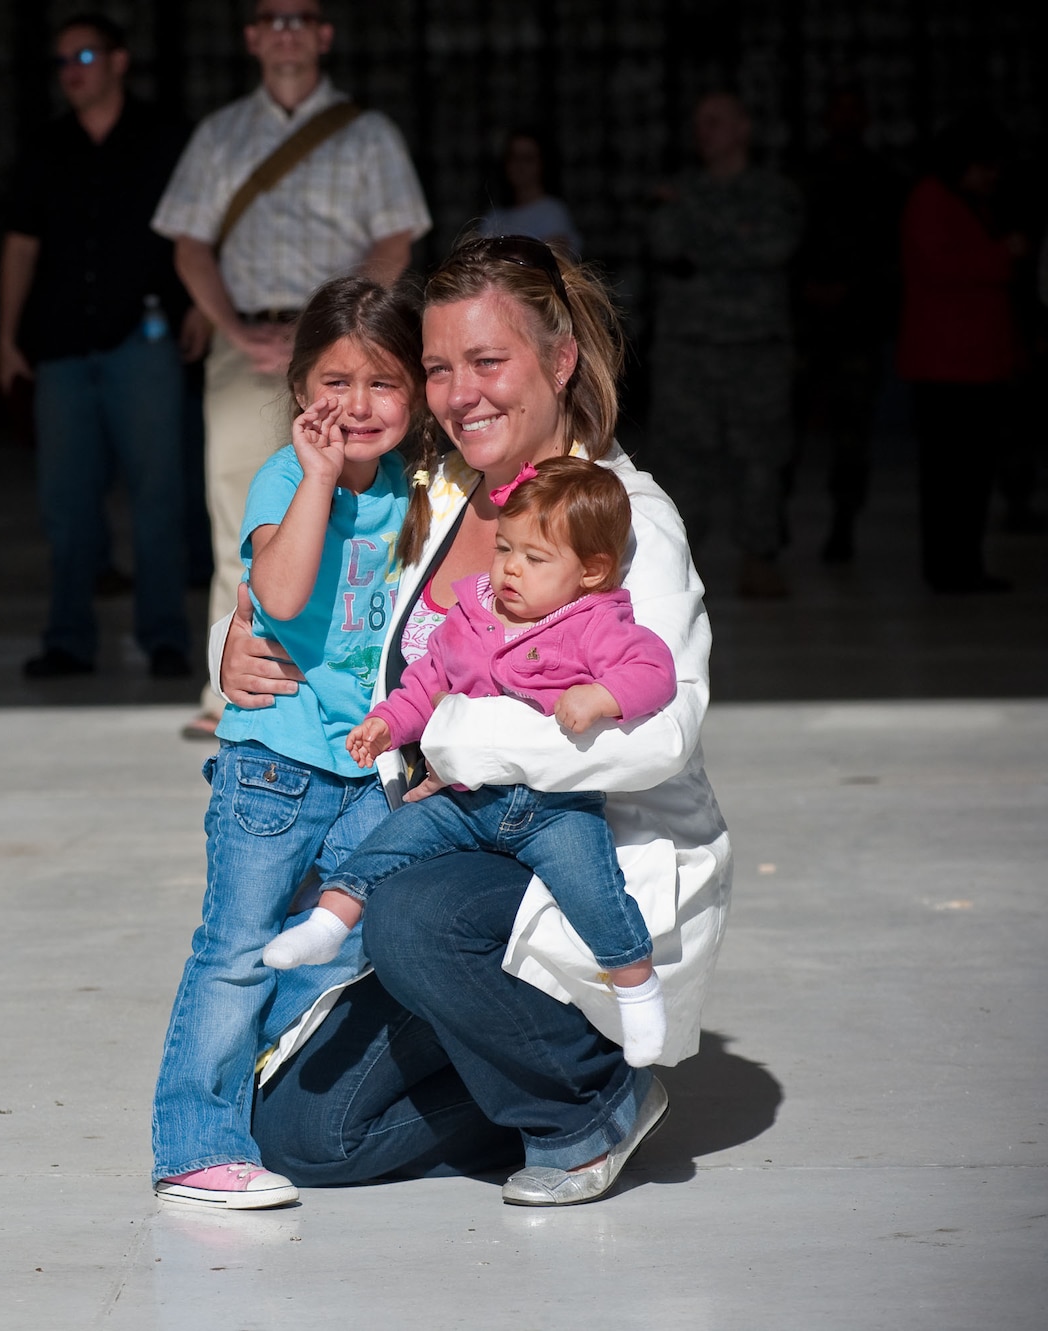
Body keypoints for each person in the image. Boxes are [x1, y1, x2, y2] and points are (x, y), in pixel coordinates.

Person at [216, 234, 729, 1207]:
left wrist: (452, 737)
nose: (460, 394)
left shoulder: (625, 518)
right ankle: (521, 1052)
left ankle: (586, 1101)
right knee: (305, 1133)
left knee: (412, 916)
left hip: (572, 871)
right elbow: (340, 606)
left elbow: (663, 728)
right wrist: (228, 643)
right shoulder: (439, 488)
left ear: (559, 359)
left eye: (487, 361)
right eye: (439, 368)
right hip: (446, 851)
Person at [151, 275, 434, 1210]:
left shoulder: (414, 488)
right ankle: (194, 1144)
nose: (357, 405)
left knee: (339, 947)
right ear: (300, 384)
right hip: (272, 764)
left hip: (364, 770)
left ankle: (268, 1098)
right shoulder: (287, 474)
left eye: (383, 382)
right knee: (234, 947)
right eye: (335, 381)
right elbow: (275, 591)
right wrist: (316, 481)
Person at [265, 457, 676, 1069]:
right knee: (392, 836)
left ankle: (636, 987)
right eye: (505, 547)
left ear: (591, 571)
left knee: (593, 888)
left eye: (536, 560)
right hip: (462, 796)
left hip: (551, 807)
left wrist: (602, 695)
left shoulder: (597, 623)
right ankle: (329, 920)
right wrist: (387, 724)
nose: (511, 568)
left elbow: (655, 672)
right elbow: (426, 682)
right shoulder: (473, 614)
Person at [152, 0, 430, 733]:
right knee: (239, 508)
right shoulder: (220, 134)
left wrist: (333, 337)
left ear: (324, 33)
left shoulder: (368, 134)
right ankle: (230, 681)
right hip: (248, 345)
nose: (285, 28)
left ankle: (371, 677)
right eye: (269, 17)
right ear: (249, 37)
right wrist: (235, 329)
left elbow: (397, 239)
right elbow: (189, 247)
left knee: (369, 507)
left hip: (343, 349)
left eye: (300, 15)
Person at [0, 13, 194, 679]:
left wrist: (200, 304)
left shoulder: (166, 139)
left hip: (142, 340)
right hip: (60, 344)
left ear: (119, 60)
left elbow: (196, 234)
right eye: (60, 61)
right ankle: (68, 638)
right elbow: (20, 245)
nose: (71, 70)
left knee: (157, 496)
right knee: (66, 503)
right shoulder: (45, 146)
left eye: (83, 55)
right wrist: (4, 335)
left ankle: (165, 635)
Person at [647, 91, 804, 598]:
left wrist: (701, 228)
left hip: (754, 348)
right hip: (689, 347)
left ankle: (760, 555)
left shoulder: (773, 192)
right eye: (699, 123)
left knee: (760, 456)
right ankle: (677, 566)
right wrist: (725, 235)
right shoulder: (679, 192)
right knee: (682, 459)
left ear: (743, 128)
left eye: (715, 122)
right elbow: (665, 245)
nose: (704, 132)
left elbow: (773, 246)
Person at [897, 111, 1026, 594]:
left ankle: (964, 564)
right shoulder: (933, 200)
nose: (992, 176)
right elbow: (944, 267)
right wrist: (1006, 255)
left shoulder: (967, 201)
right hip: (946, 365)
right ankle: (950, 568)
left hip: (974, 362)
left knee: (970, 475)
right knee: (951, 476)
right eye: (985, 166)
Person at [794, 88, 903, 564]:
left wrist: (852, 291)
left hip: (856, 322)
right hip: (805, 320)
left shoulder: (880, 177)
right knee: (785, 430)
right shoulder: (804, 175)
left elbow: (889, 251)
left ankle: (843, 525)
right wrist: (805, 288)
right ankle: (768, 534)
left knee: (851, 433)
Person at [480, 129, 581, 256]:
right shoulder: (493, 217)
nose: (519, 165)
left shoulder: (553, 212)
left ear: (542, 164)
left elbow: (556, 262)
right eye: (514, 157)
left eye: (527, 159)